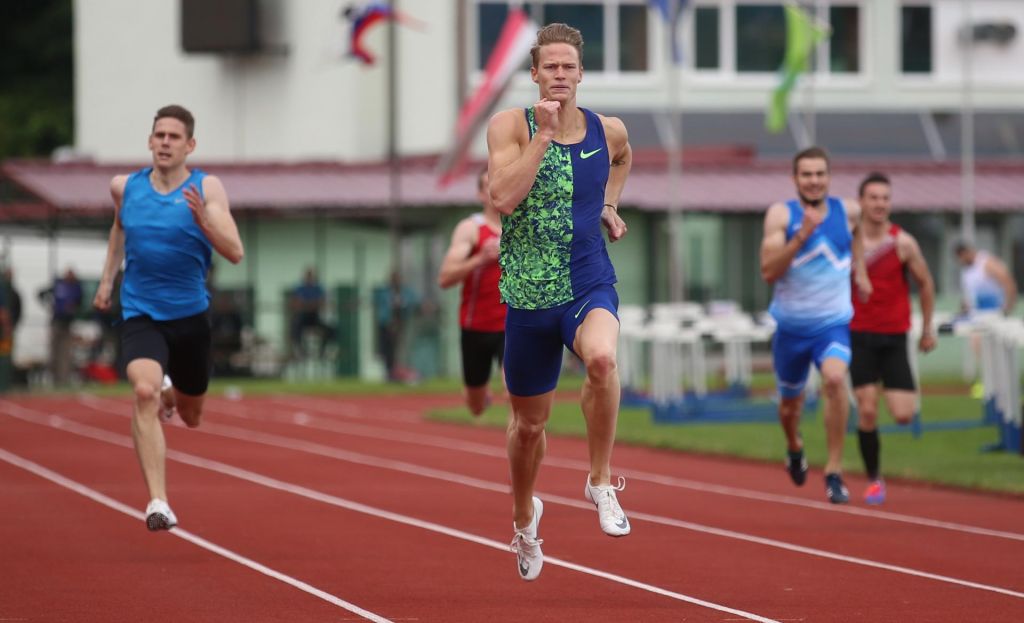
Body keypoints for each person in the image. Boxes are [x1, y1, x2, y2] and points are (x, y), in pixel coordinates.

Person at [486, 22, 632, 581]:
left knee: (602, 360)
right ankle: (525, 520)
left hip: (588, 278)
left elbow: (620, 160)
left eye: (569, 66)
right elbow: (501, 197)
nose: (561, 75)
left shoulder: (607, 129)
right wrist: (544, 136)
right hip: (529, 292)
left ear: (581, 72)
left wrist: (608, 205)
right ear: (534, 73)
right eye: (551, 66)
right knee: (529, 426)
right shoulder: (510, 126)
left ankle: (600, 481)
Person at [93, 104, 244, 532]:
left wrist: (205, 222)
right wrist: (107, 282)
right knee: (143, 390)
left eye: (174, 137)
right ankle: (158, 501)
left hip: (190, 317)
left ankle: (174, 394)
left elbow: (235, 252)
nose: (164, 142)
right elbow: (119, 229)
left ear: (189, 145)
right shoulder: (125, 187)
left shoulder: (206, 188)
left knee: (192, 417)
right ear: (149, 140)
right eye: (159, 135)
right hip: (141, 311)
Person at [759, 146, 871, 505]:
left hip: (832, 325)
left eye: (820, 174)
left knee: (836, 381)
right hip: (791, 329)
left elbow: (856, 238)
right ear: (795, 179)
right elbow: (768, 271)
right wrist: (801, 236)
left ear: (829, 177)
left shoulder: (847, 211)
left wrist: (862, 271)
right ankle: (795, 445)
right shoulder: (781, 214)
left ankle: (835, 471)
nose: (813, 181)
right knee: (790, 408)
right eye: (806, 174)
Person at [849, 172, 937, 505]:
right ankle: (874, 480)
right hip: (859, 335)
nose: (880, 204)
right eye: (873, 197)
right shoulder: (849, 243)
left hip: (894, 337)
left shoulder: (902, 243)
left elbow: (926, 284)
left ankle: (884, 389)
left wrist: (927, 329)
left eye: (885, 198)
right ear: (861, 202)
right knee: (868, 411)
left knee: (902, 414)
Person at [437, 169, 507, 416]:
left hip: (514, 325)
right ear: (480, 194)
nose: (497, 190)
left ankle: (521, 447)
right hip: (476, 326)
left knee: (516, 392)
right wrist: (480, 259)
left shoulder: (525, 228)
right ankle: (479, 394)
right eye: (490, 185)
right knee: (475, 407)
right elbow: (445, 278)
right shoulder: (471, 229)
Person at [38, 268, 83, 386]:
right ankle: (53, 378)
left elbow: (80, 302)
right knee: (53, 351)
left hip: (68, 324)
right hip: (56, 322)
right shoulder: (58, 285)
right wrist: (48, 305)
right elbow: (41, 293)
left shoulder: (76, 288)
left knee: (66, 353)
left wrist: (73, 308)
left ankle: (63, 379)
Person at [955, 241, 1017, 318]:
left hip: (994, 313)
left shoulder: (987, 263)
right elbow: (971, 295)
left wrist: (1007, 309)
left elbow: (1009, 284)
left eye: (960, 257)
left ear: (965, 253)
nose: (960, 261)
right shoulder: (967, 270)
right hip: (976, 314)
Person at [289, 267, 336, 359]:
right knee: (294, 327)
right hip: (303, 317)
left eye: (312, 276)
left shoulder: (318, 288)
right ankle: (300, 351)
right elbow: (295, 303)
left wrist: (306, 304)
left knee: (331, 330)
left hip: (315, 316)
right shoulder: (299, 288)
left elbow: (322, 303)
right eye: (308, 276)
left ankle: (323, 351)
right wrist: (311, 304)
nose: (310, 278)